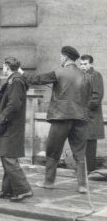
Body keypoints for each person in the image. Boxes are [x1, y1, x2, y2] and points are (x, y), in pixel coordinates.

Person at [21, 46, 92, 193]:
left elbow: (37, 79)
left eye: (61, 56)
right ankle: (82, 186)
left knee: (53, 151)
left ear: (65, 57)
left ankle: (49, 182)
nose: (60, 59)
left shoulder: (58, 73)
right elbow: (88, 98)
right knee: (79, 152)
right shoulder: (87, 76)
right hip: (80, 118)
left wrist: (21, 72)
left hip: (61, 118)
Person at [0, 57, 33, 202]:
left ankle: (24, 189)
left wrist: (2, 118)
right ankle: (7, 189)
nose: (3, 69)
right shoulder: (14, 80)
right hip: (11, 124)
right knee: (6, 156)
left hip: (10, 125)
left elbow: (14, 104)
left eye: (4, 67)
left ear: (7, 67)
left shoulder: (16, 81)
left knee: (8, 157)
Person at [79, 54, 104, 173]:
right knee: (81, 143)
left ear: (91, 64)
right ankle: (82, 170)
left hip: (91, 116)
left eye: (85, 64)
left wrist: (84, 108)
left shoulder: (96, 75)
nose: (82, 66)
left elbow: (97, 97)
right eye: (81, 64)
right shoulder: (80, 76)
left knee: (90, 144)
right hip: (81, 116)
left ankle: (89, 170)